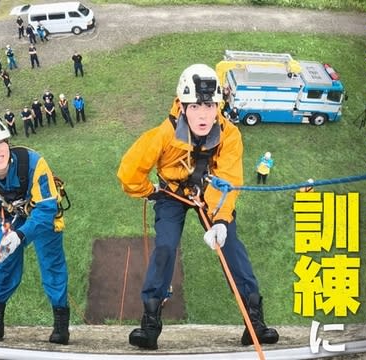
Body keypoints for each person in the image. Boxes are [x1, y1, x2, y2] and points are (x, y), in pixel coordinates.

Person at [117, 64, 279, 350]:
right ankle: (150, 324)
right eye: (195, 106)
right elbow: (130, 171)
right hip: (172, 194)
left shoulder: (229, 135)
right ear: (182, 105)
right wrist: (151, 191)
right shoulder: (163, 135)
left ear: (218, 105)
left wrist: (220, 219)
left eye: (209, 105)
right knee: (165, 247)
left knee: (231, 248)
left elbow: (228, 178)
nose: (203, 114)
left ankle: (254, 321)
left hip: (210, 194)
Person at [0, 113, 69, 345]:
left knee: (52, 263)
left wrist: (21, 235)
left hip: (42, 216)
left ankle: (61, 325)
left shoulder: (33, 163)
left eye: (0, 142)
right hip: (10, 217)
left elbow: (46, 208)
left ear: (8, 140)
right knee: (2, 263)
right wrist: (10, 231)